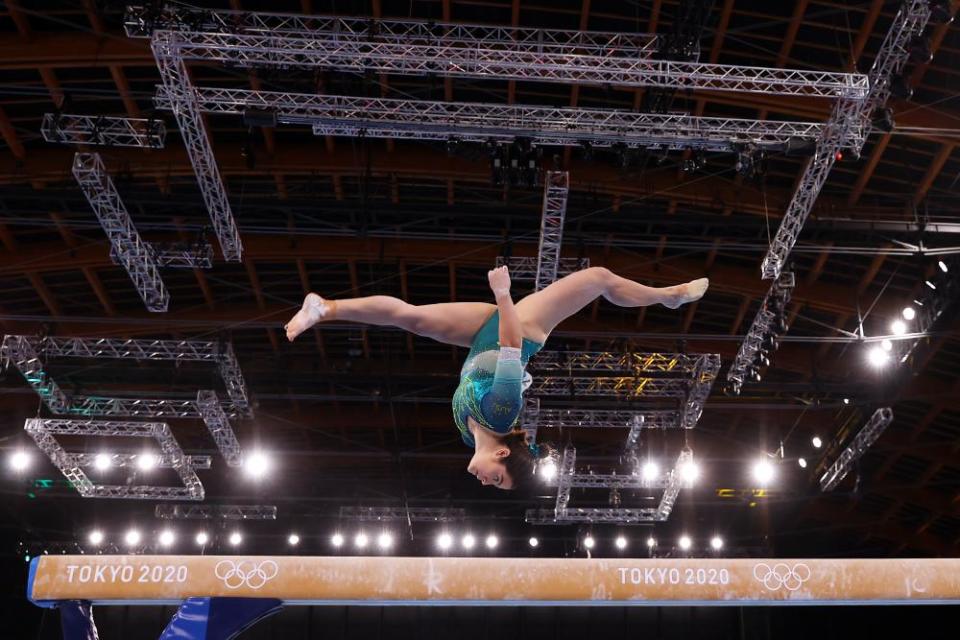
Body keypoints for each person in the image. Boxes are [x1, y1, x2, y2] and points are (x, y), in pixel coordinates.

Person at [285, 266, 708, 491]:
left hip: (479, 339)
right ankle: (665, 297)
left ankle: (326, 308)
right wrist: (503, 294)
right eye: (498, 480)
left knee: (409, 318)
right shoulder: (502, 411)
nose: (486, 482)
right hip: (519, 329)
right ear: (503, 457)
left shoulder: (471, 438)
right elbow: (511, 344)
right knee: (597, 278)